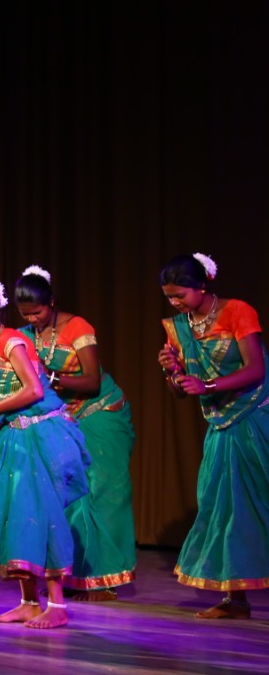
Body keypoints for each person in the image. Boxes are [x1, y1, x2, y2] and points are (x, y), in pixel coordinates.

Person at [0, 279, 90, 630]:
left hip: (40, 435)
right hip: (12, 439)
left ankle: (56, 605)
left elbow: (33, 389)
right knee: (16, 516)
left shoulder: (12, 341)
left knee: (42, 514)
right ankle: (28, 601)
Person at [14, 265, 136, 602]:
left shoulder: (77, 327)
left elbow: (92, 381)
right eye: (26, 314)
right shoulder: (24, 335)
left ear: (52, 302)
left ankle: (105, 578)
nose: (33, 319)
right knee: (68, 495)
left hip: (101, 414)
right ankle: (72, 575)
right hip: (65, 420)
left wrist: (49, 378)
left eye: (37, 312)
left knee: (103, 492)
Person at [157, 252, 269, 619]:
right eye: (169, 297)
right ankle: (236, 600)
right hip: (221, 424)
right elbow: (179, 392)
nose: (174, 303)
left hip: (256, 416)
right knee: (223, 508)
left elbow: (255, 369)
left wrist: (207, 384)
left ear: (202, 284)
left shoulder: (238, 311)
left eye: (180, 295)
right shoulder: (178, 328)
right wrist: (173, 373)